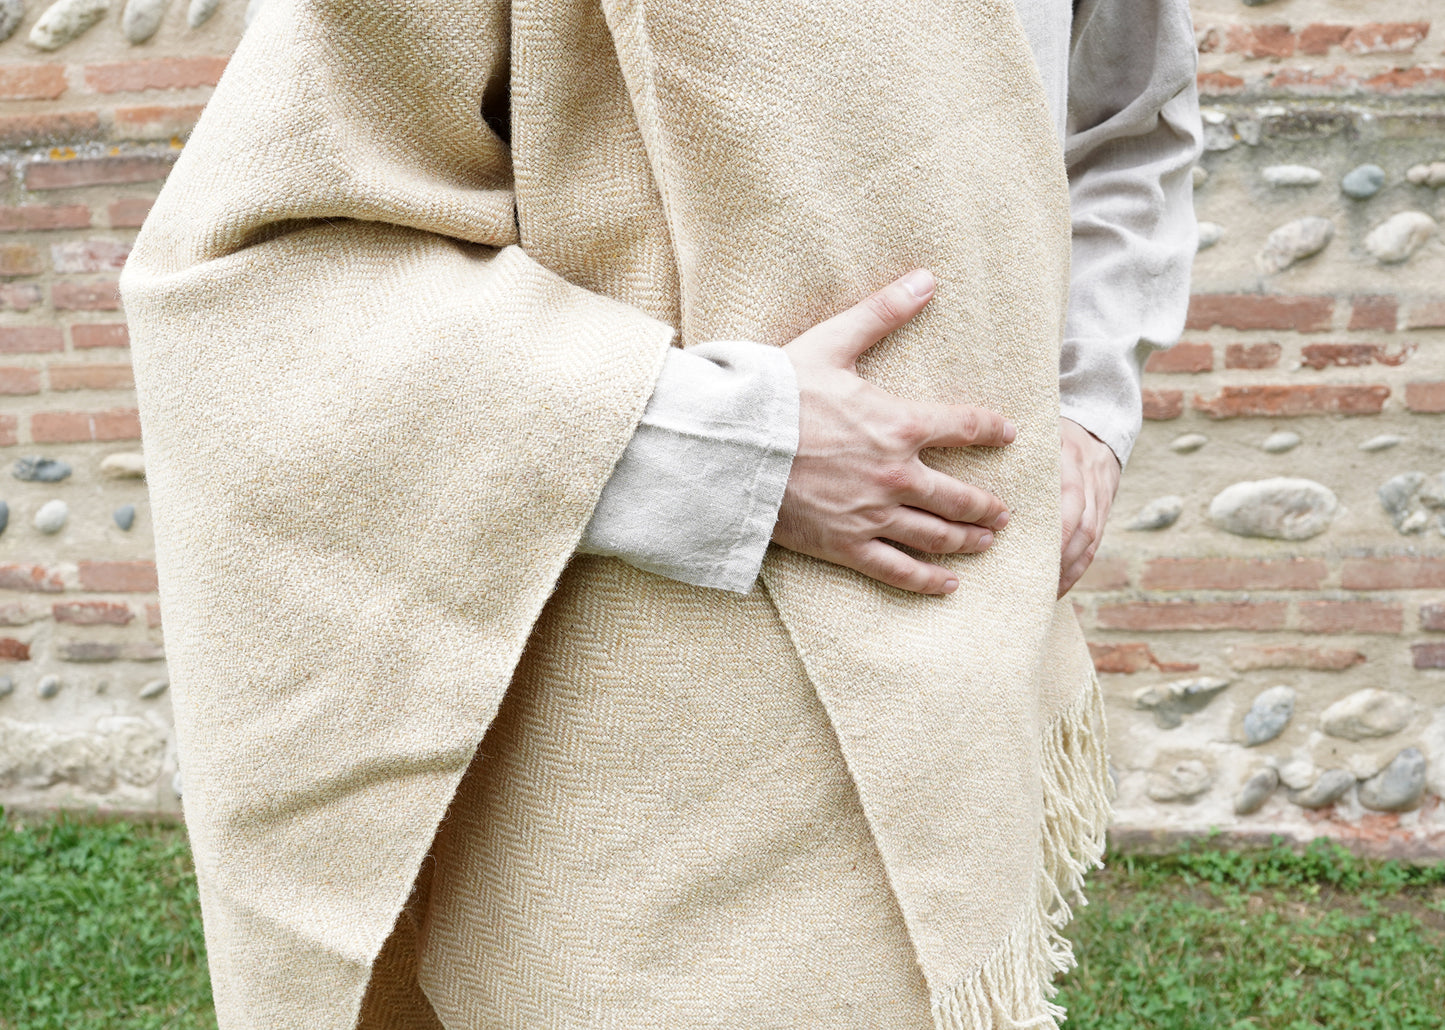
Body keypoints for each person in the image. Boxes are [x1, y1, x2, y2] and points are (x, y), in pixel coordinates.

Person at [119, 0, 1202, 1027]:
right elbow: (251, 277)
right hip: (649, 742)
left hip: (966, 685)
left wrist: (1089, 410)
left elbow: (1123, 121)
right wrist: (720, 443)